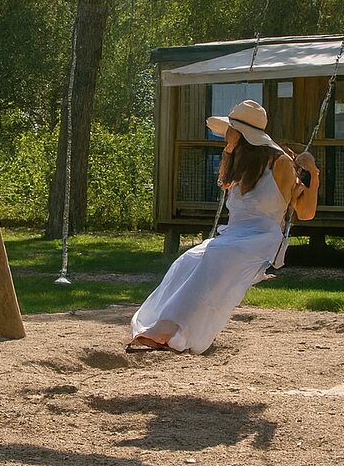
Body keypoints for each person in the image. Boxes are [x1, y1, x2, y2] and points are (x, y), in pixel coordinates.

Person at [128, 100, 319, 354]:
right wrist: (229, 151)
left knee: (214, 259)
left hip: (261, 238)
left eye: (231, 130)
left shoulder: (280, 163)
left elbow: (305, 213)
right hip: (233, 235)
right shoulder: (241, 161)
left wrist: (312, 174)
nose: (226, 135)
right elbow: (225, 180)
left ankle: (169, 330)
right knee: (187, 261)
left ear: (243, 134)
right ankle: (159, 323)